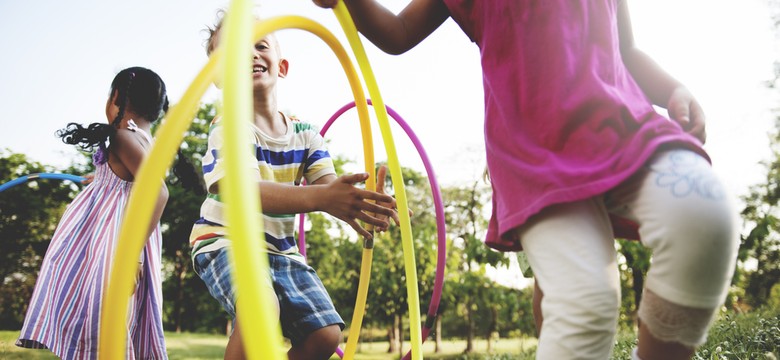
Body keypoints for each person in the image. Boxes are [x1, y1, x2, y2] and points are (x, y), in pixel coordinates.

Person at [313, 1, 740, 359]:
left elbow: (625, 49)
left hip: (622, 123)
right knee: (584, 301)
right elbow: (400, 30)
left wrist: (672, 89)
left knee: (704, 216)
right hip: (538, 152)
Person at [190, 14, 399, 360]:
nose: (250, 55)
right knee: (261, 307)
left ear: (282, 66)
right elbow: (245, 191)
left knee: (326, 336)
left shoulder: (305, 134)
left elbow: (329, 188)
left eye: (259, 45)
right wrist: (324, 197)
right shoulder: (227, 126)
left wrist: (358, 203)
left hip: (282, 250)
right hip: (225, 240)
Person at [16, 66, 171, 359]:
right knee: (114, 316)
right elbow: (126, 181)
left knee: (96, 313)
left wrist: (131, 255)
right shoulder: (147, 142)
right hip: (117, 239)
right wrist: (102, 176)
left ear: (115, 97)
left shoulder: (123, 137)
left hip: (109, 243)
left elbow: (158, 191)